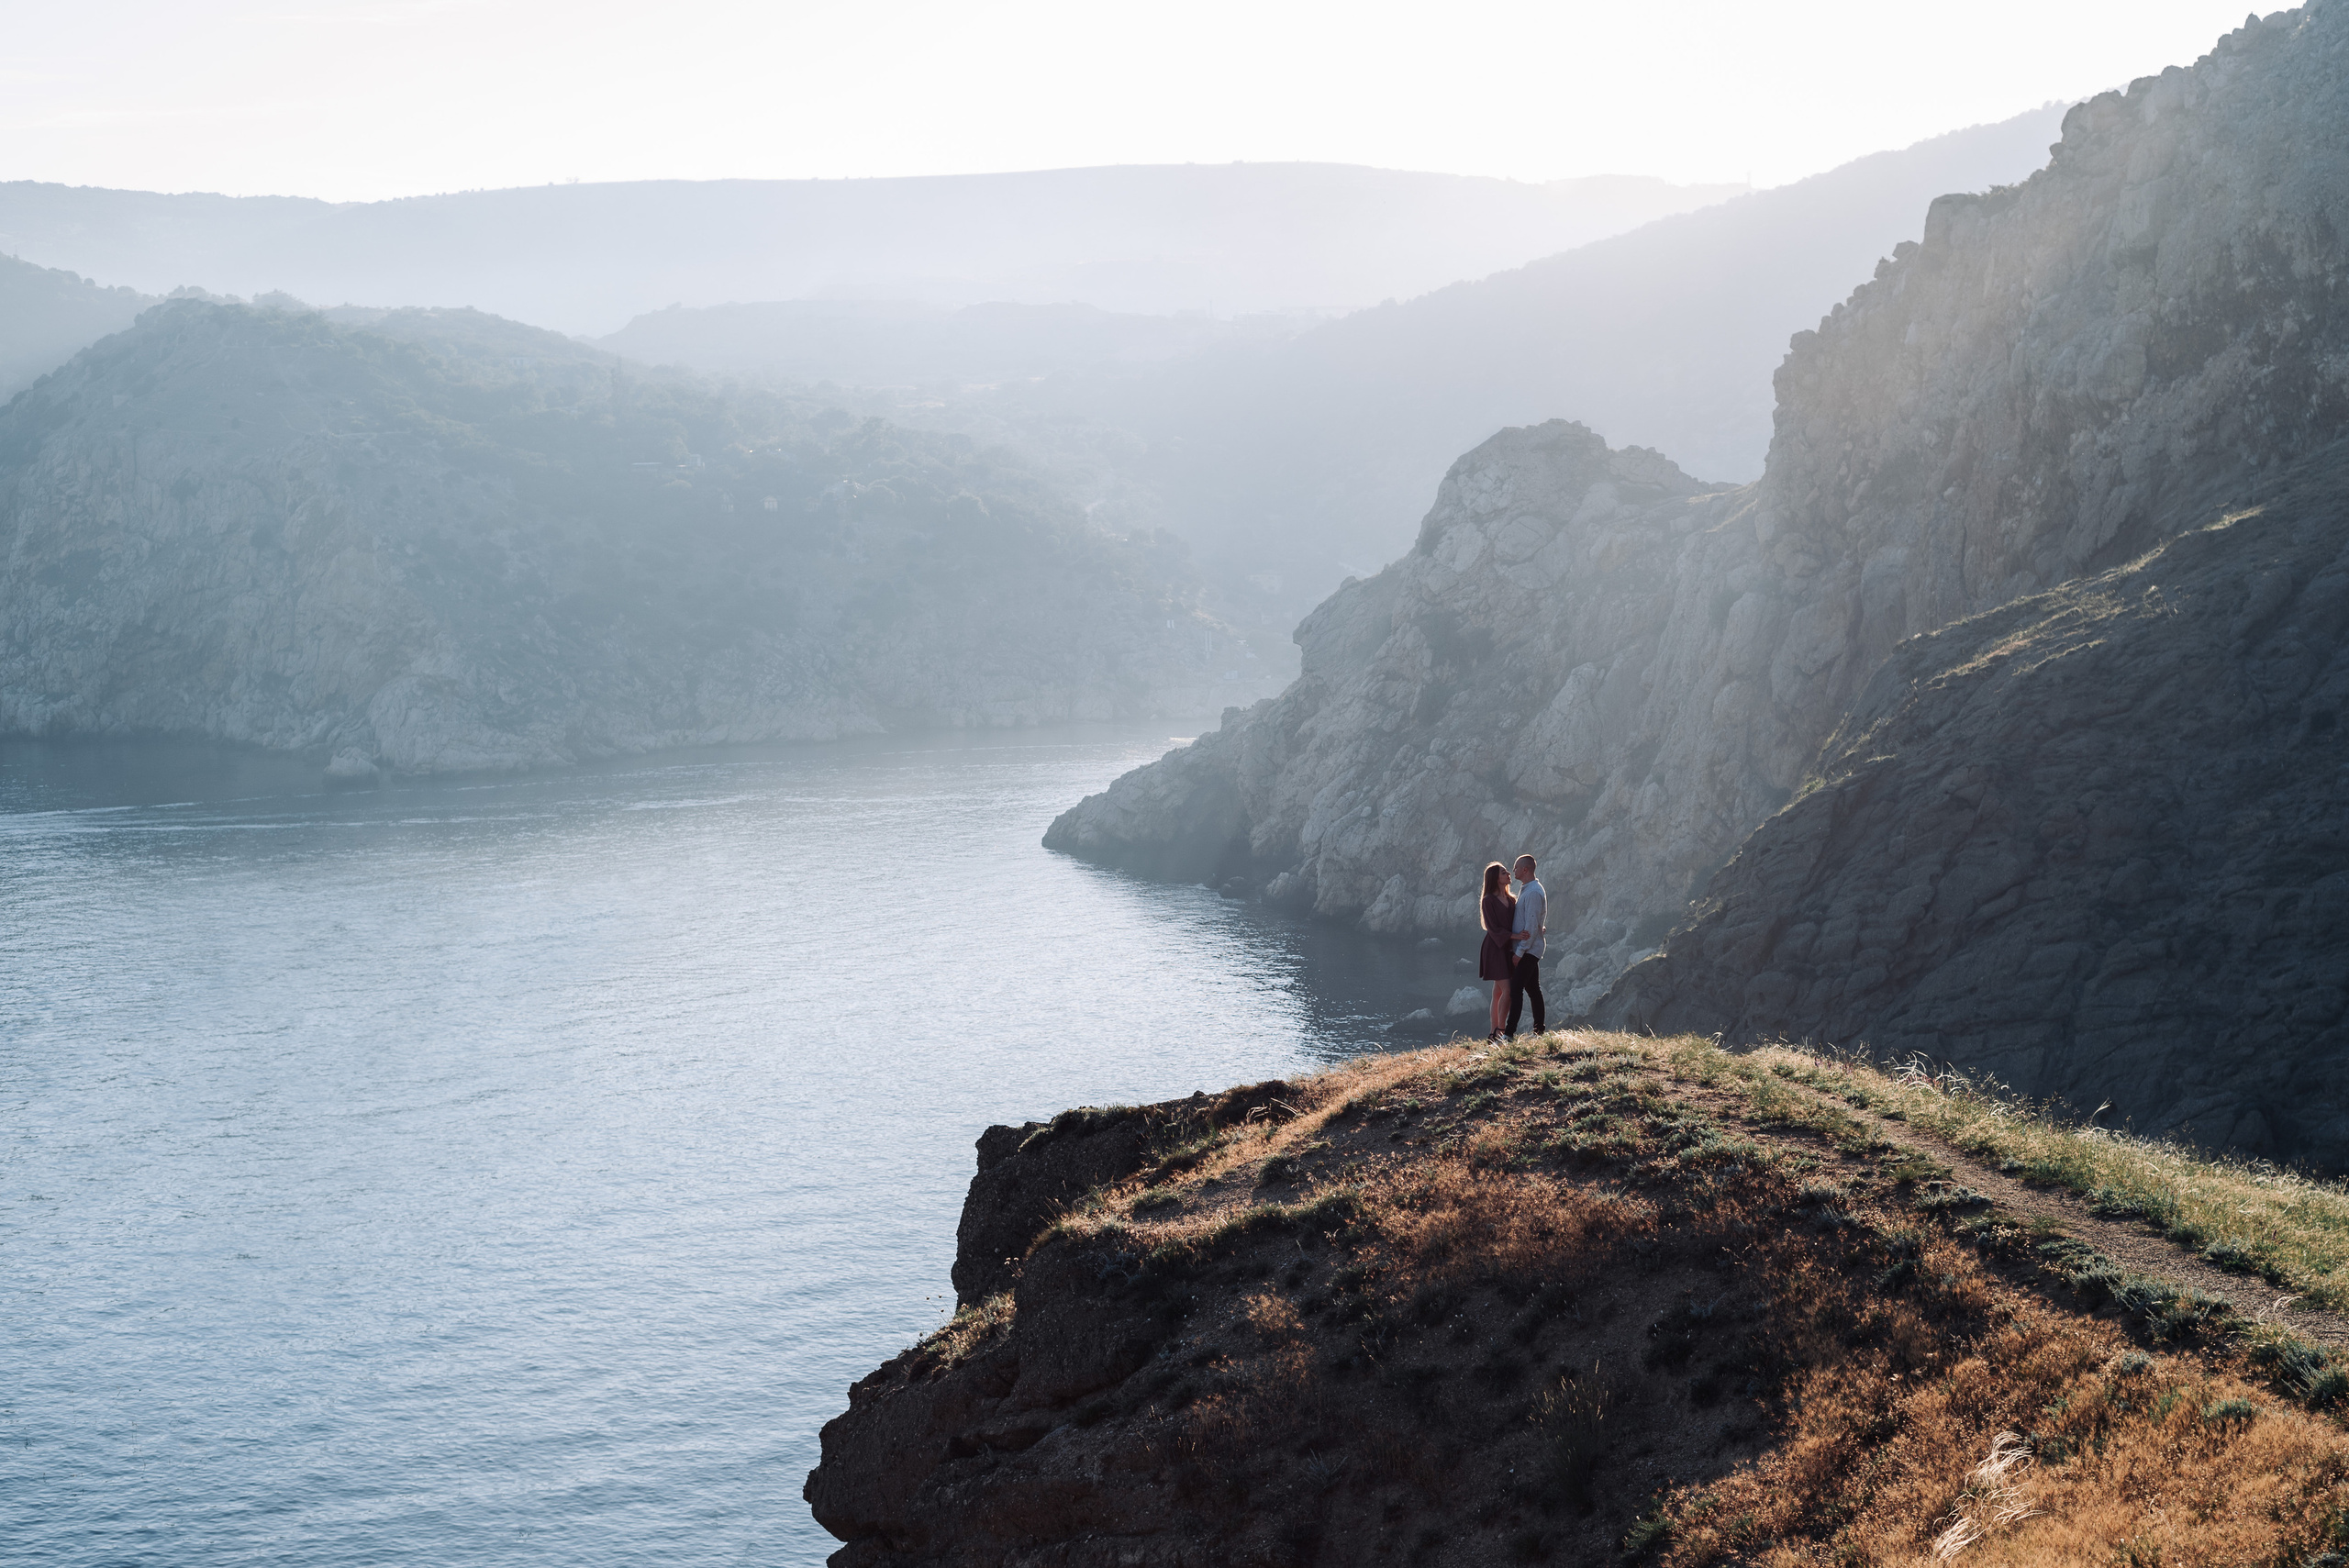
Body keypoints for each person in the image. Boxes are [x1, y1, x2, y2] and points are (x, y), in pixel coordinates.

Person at [1506, 854, 1548, 1038]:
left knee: (1516, 990)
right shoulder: (1529, 889)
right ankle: (1539, 1031)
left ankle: (1509, 1034)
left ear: (1525, 869)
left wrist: (1520, 952)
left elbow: (1530, 925)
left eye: (1515, 867)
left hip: (1528, 950)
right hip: (1531, 948)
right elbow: (1535, 921)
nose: (1513, 870)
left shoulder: (1532, 893)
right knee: (1533, 990)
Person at [1476, 862, 1517, 1042]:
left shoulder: (1512, 900)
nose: (1508, 874)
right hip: (1495, 949)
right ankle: (1501, 1030)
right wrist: (1516, 937)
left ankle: (1493, 1033)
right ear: (1495, 878)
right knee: (1507, 991)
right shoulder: (1488, 901)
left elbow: (1519, 922)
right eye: (1503, 872)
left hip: (1508, 948)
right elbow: (1493, 929)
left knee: (1498, 993)